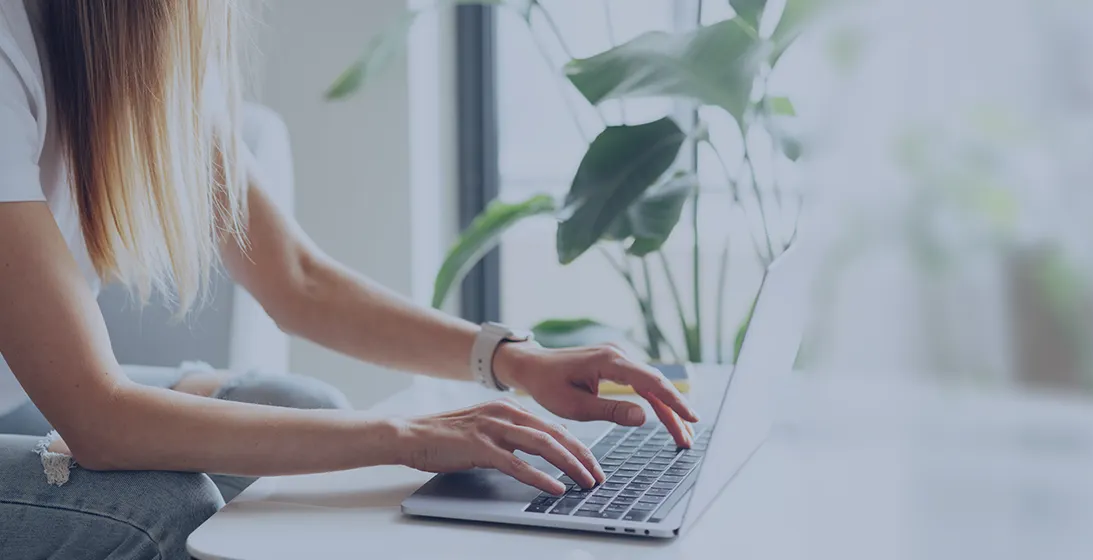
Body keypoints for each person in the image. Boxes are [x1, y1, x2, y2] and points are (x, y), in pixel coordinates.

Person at [0, 2, 697, 557]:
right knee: (161, 513)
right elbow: (98, 420)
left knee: (297, 401)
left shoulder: (154, 43)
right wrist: (402, 432)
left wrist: (516, 361)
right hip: (62, 406)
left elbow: (298, 281)